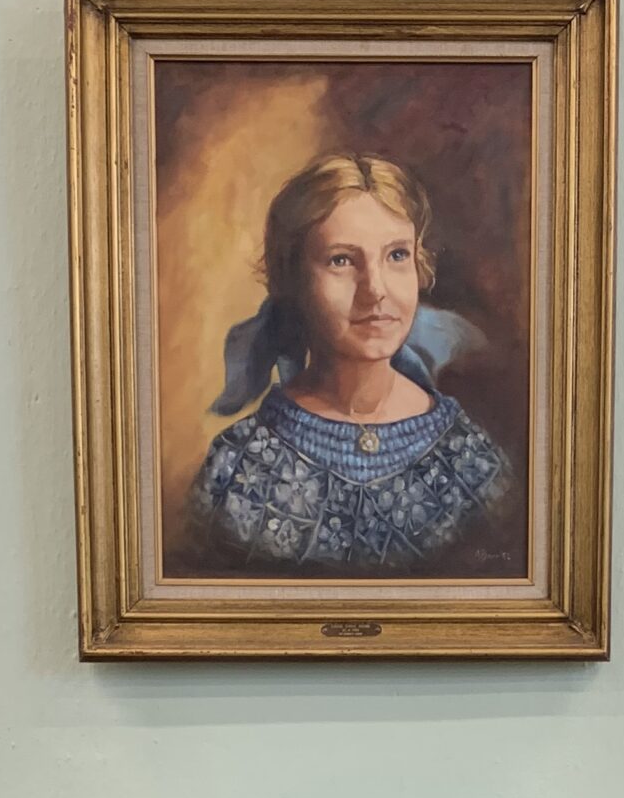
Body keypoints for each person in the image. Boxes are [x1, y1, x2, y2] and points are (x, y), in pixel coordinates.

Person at [185, 152, 518, 575]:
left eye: (397, 256)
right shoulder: (234, 469)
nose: (375, 289)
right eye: (341, 260)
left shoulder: (471, 462)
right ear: (292, 278)